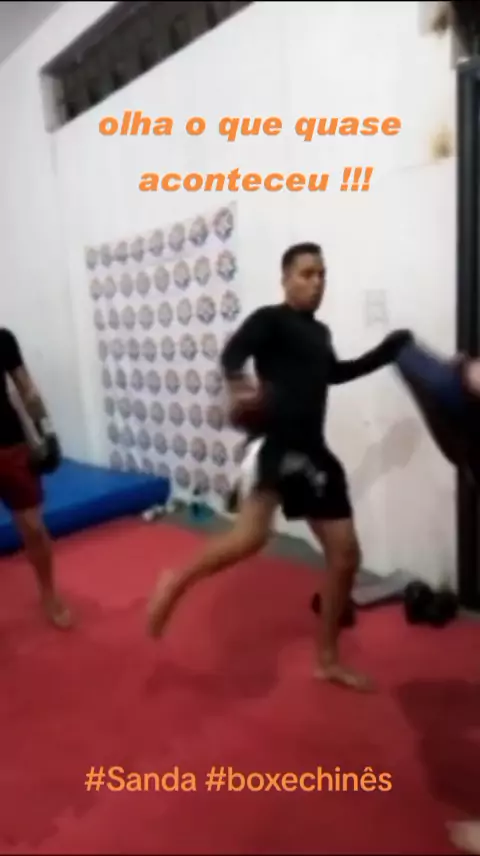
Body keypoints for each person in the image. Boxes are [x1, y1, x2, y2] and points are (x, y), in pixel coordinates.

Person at [147, 242, 411, 690]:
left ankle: (326, 659)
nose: (317, 283)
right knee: (250, 538)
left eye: (322, 274)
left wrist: (385, 353)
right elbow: (232, 354)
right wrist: (241, 388)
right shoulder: (269, 320)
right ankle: (176, 580)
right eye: (307, 274)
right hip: (275, 446)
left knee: (345, 556)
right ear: (286, 279)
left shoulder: (320, 333)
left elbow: (333, 374)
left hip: (313, 451)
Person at [0, 328, 71, 628]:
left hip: (11, 446)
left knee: (33, 527)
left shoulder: (3, 339)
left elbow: (26, 388)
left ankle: (49, 594)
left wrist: (47, 432)